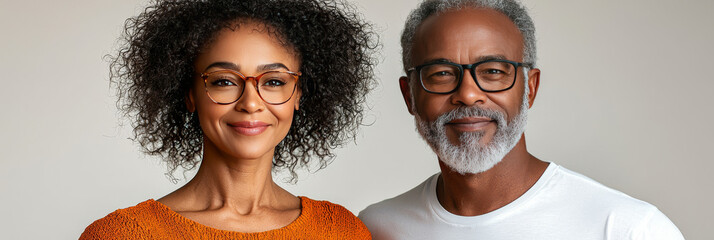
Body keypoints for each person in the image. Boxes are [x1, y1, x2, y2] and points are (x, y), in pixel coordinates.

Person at [358, 0, 684, 239]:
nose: (469, 94)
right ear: (409, 96)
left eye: (494, 72)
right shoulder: (375, 228)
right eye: (442, 73)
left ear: (530, 88)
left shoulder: (627, 229)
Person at [80, 0, 376, 239]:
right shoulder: (119, 235)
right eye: (224, 81)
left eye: (274, 82)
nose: (250, 103)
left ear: (299, 94)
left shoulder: (340, 232)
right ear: (189, 94)